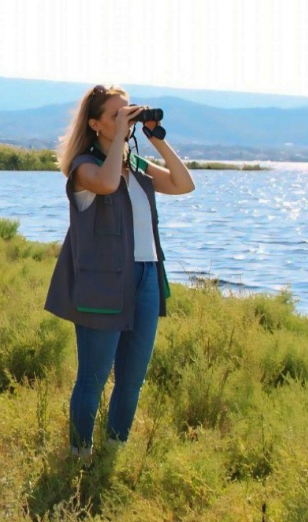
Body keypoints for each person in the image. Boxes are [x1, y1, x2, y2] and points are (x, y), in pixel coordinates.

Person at [44, 84, 196, 464]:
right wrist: (119, 148)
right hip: (103, 284)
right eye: (116, 114)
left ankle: (114, 452)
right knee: (93, 378)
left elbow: (183, 184)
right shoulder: (85, 168)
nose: (125, 119)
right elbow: (108, 183)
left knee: (131, 378)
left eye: (128, 111)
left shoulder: (136, 166)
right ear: (95, 124)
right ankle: (79, 454)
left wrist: (156, 138)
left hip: (145, 277)